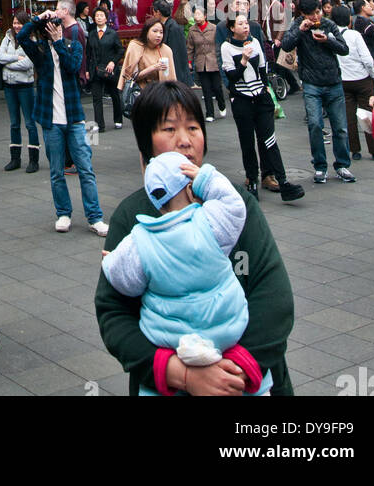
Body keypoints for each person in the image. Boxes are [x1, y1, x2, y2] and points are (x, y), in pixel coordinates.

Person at [95, 80, 295, 396]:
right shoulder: (132, 217)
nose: (185, 141)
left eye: (193, 127)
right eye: (169, 130)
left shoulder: (235, 206)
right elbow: (114, 313)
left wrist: (234, 370)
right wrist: (183, 375)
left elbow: (274, 298)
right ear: (146, 143)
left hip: (249, 378)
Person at [101, 150, 273, 395]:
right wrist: (206, 177)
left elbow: (125, 283)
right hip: (228, 330)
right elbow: (234, 205)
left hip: (173, 342)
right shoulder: (210, 223)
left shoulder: (139, 240)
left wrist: (113, 261)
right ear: (192, 189)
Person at [18, 0, 108, 235]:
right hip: (51, 121)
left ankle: (95, 217)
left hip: (75, 119)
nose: (53, 29)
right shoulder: (40, 53)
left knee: (86, 169)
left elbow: (72, 66)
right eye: (50, 27)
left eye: (56, 26)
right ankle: (63, 213)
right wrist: (38, 18)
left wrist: (59, 42)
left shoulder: (72, 45)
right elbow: (22, 38)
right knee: (56, 171)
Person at [220, 15, 304, 202]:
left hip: (261, 98)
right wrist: (242, 60)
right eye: (240, 24)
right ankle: (252, 181)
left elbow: (262, 69)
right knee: (247, 142)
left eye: (246, 23)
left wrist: (267, 90)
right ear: (232, 28)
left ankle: (283, 182)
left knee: (269, 140)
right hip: (242, 100)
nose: (245, 26)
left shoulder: (255, 42)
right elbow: (232, 77)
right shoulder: (226, 47)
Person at [280, 0, 354, 184]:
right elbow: (286, 46)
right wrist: (300, 30)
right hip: (311, 84)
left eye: (318, 12)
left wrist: (328, 40)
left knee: (340, 128)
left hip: (333, 81)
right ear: (302, 14)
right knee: (314, 125)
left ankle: (342, 165)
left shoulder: (328, 25)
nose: (316, 17)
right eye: (311, 13)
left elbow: (344, 49)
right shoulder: (298, 26)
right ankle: (320, 167)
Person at [334, 3, 374, 162]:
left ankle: (355, 150)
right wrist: (373, 73)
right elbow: (367, 59)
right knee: (367, 114)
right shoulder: (354, 35)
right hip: (361, 80)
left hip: (343, 80)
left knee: (349, 117)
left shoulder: (331, 36)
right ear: (348, 19)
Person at [0, 13, 40, 170]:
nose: (16, 26)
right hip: (9, 85)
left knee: (29, 123)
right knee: (14, 123)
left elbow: (28, 63)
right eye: (14, 23)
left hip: (25, 86)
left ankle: (33, 160)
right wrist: (16, 59)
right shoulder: (7, 37)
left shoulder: (32, 40)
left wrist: (9, 63)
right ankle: (15, 158)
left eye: (19, 23)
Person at [118, 16, 175, 109]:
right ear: (146, 31)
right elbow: (130, 76)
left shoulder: (166, 50)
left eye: (161, 32)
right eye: (155, 31)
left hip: (160, 96)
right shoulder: (135, 46)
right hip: (141, 94)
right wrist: (154, 67)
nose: (158, 35)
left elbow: (171, 79)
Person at [86, 5, 125, 132]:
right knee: (96, 98)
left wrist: (113, 62)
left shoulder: (112, 33)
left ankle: (118, 120)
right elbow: (88, 53)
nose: (99, 18)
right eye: (97, 16)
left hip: (110, 70)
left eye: (101, 15)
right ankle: (99, 124)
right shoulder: (91, 34)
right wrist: (87, 69)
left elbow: (120, 51)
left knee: (114, 95)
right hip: (95, 69)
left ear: (106, 18)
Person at [186, 7, 227, 122]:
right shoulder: (192, 30)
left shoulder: (214, 28)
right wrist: (189, 61)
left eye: (199, 14)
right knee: (206, 89)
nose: (196, 16)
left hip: (214, 61)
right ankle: (210, 113)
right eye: (195, 14)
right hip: (200, 62)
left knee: (217, 87)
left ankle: (221, 104)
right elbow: (190, 47)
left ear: (205, 16)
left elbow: (220, 44)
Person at [150, 0, 188, 84]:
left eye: (154, 12)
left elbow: (176, 55)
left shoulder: (173, 28)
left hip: (176, 75)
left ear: (158, 12)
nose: (153, 15)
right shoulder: (165, 26)